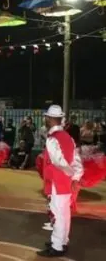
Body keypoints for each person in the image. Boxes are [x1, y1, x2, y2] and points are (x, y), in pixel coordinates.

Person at [37, 105, 83, 258]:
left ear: (50, 119)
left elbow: (58, 161)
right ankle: (62, 241)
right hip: (65, 181)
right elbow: (76, 159)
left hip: (57, 181)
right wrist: (75, 177)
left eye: (47, 118)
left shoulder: (53, 138)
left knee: (57, 212)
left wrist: (68, 174)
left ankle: (57, 245)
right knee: (64, 213)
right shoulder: (68, 137)